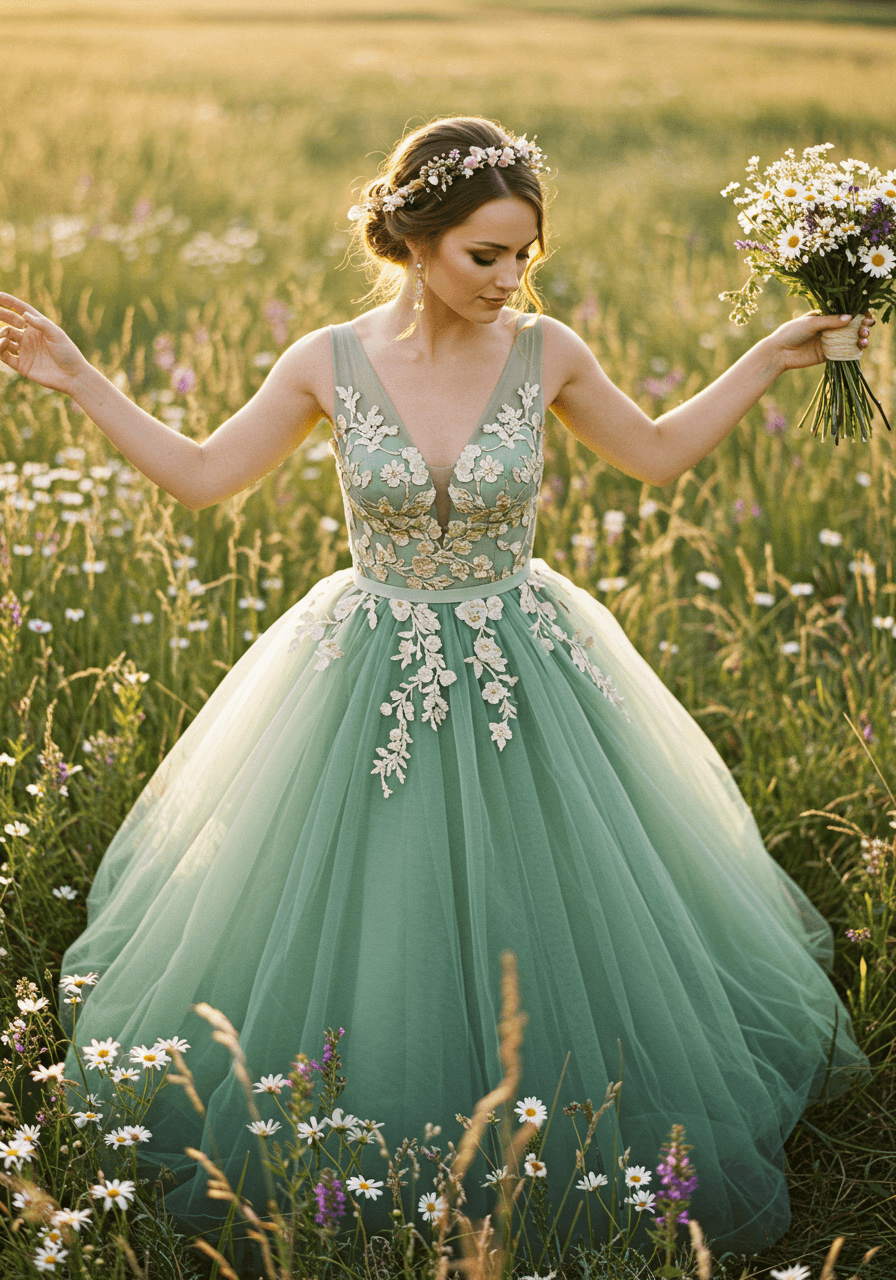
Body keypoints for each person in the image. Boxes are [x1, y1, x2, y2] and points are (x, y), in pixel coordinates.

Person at [0, 115, 871, 1253]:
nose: (508, 280)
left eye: (523, 256)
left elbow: (652, 451)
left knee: (552, 900)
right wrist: (78, 377)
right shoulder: (326, 357)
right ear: (414, 242)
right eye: (483, 255)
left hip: (526, 663)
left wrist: (767, 357)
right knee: (369, 908)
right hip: (370, 668)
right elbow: (206, 476)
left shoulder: (544, 349)